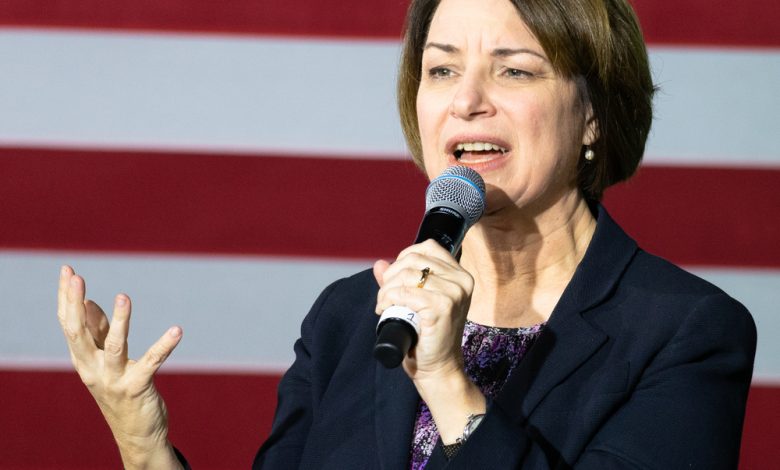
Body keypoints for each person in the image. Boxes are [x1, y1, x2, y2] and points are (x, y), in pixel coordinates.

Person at [57, 0, 757, 468]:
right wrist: (145, 445)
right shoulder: (347, 318)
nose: (467, 100)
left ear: (596, 114)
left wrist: (449, 383)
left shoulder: (687, 333)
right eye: (442, 68)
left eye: (514, 70)